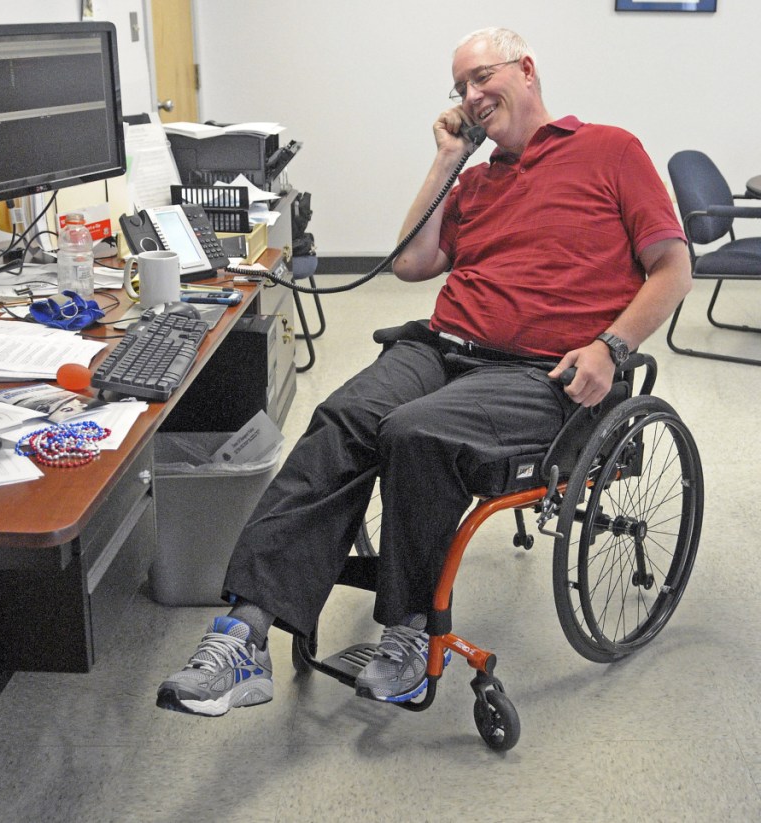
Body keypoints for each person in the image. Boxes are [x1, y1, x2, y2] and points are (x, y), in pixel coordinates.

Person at [157, 27, 692, 717]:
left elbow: (674, 267)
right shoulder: (475, 179)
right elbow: (411, 264)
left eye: (482, 78)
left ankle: (410, 631)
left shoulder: (611, 150)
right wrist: (446, 160)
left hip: (546, 370)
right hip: (442, 346)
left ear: (526, 70)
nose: (471, 96)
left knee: (415, 432)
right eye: (459, 88)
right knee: (344, 416)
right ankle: (244, 635)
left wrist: (612, 348)